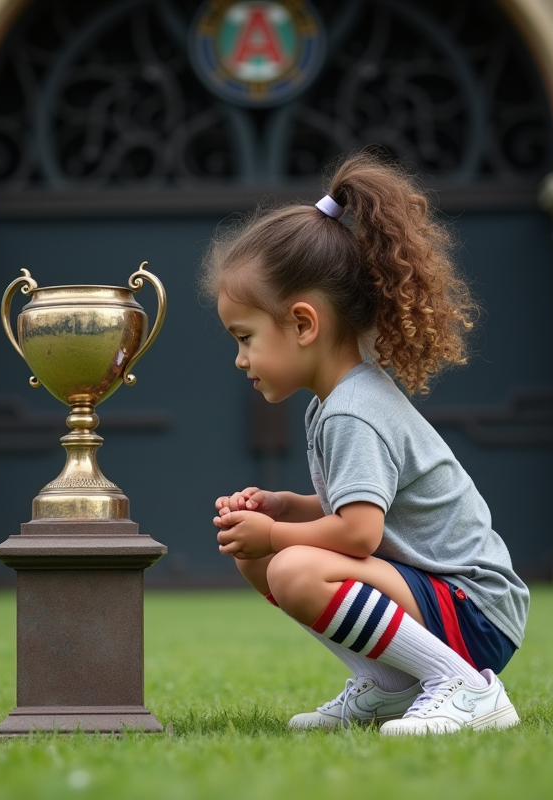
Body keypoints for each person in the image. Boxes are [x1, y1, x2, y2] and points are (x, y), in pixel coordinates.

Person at [203, 152, 529, 736]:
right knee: (263, 559)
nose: (239, 358)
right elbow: (354, 511)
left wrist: (277, 535)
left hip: (474, 609)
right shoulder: (333, 403)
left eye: (245, 337)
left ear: (304, 324)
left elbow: (359, 534)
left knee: (294, 567)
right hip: (432, 593)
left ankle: (466, 688)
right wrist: (282, 508)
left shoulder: (354, 409)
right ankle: (391, 687)